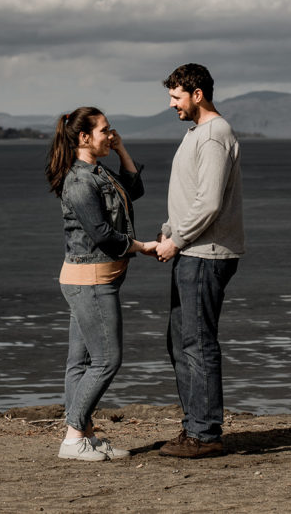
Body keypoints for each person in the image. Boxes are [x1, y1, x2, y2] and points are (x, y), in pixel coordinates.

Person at [45, 106, 157, 462]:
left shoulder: (98, 171)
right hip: (90, 282)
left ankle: (82, 435)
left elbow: (134, 189)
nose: (110, 134)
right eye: (105, 130)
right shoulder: (78, 182)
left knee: (79, 362)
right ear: (83, 137)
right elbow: (104, 236)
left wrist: (121, 149)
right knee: (107, 359)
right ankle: (74, 436)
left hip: (94, 280)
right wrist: (143, 247)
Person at [155, 64, 245, 459]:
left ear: (197, 94)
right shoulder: (199, 134)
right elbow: (191, 195)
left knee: (197, 343)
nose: (172, 104)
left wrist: (177, 239)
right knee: (180, 341)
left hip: (203, 254)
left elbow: (208, 203)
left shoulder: (213, 135)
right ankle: (195, 426)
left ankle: (205, 435)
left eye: (176, 97)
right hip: (192, 249)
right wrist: (168, 230)